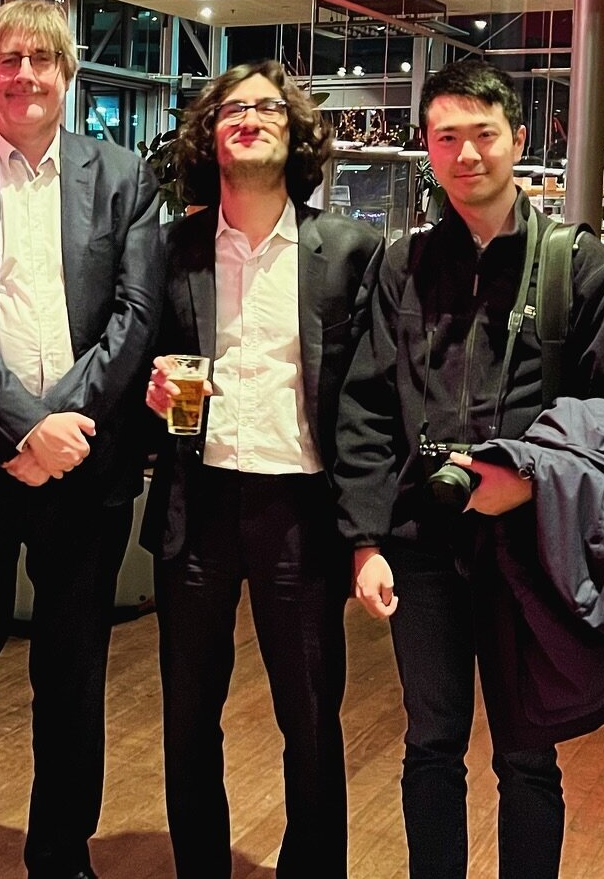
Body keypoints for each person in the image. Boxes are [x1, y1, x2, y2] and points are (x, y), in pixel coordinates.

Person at [334, 59, 604, 879]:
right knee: (430, 744)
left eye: (484, 134)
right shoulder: (401, 265)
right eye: (447, 137)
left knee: (527, 754)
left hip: (530, 546)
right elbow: (367, 405)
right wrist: (365, 540)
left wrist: (535, 482)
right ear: (428, 149)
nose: (466, 153)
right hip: (422, 542)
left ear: (520, 138)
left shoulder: (579, 268)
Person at [0, 0, 163, 879]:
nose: (23, 75)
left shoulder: (122, 176)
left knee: (73, 677)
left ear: (67, 71)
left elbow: (135, 315)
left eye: (40, 59)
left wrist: (64, 423)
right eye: (5, 60)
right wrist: (21, 424)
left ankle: (60, 851)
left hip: (84, 466)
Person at [141, 61, 381, 877]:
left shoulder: (348, 250)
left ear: (296, 131)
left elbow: (368, 398)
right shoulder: (174, 247)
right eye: (232, 108)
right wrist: (151, 390)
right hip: (196, 502)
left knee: (311, 716)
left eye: (266, 107)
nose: (248, 118)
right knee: (188, 715)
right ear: (210, 134)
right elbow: (146, 355)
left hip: (301, 510)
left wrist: (365, 531)